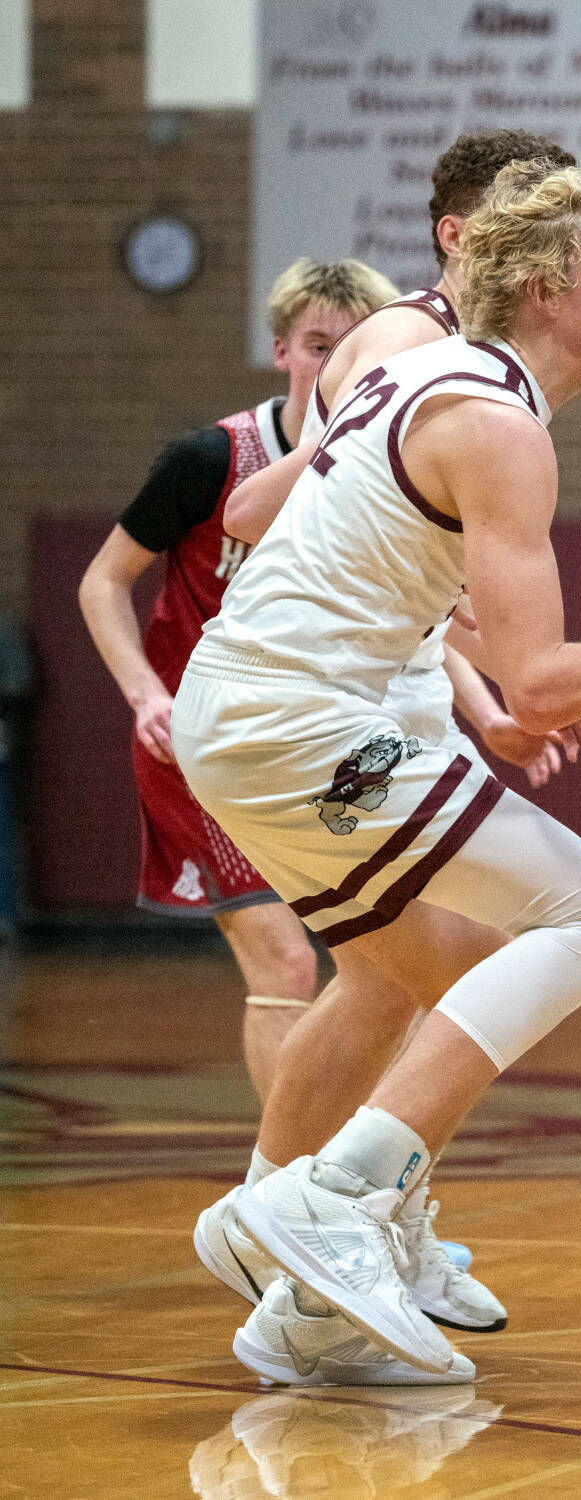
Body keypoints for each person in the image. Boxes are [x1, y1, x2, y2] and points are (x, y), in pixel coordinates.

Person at [171, 158, 581, 1381]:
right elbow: (544, 690)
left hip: (253, 719)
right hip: (300, 723)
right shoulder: (496, 423)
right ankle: (338, 1200)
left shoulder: (426, 372)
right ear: (539, 285)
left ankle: (302, 1300)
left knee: (433, 970)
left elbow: (262, 513)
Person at [189, 131, 581, 1386]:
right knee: (539, 935)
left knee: (397, 975)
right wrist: (497, 674)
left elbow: (387, 536)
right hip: (334, 697)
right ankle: (335, 1210)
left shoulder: (473, 370)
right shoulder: (410, 343)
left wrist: (487, 673)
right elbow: (261, 512)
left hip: (353, 680)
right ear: (470, 239)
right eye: (534, 218)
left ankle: (308, 1232)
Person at [78, 258, 398, 1101]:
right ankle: (290, 1185)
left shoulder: (385, 467)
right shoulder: (212, 457)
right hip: (202, 740)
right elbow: (102, 581)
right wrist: (146, 692)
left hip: (315, 745)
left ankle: (344, 1176)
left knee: (387, 958)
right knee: (288, 960)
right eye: (317, 346)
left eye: (353, 350)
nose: (333, 367)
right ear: (281, 349)